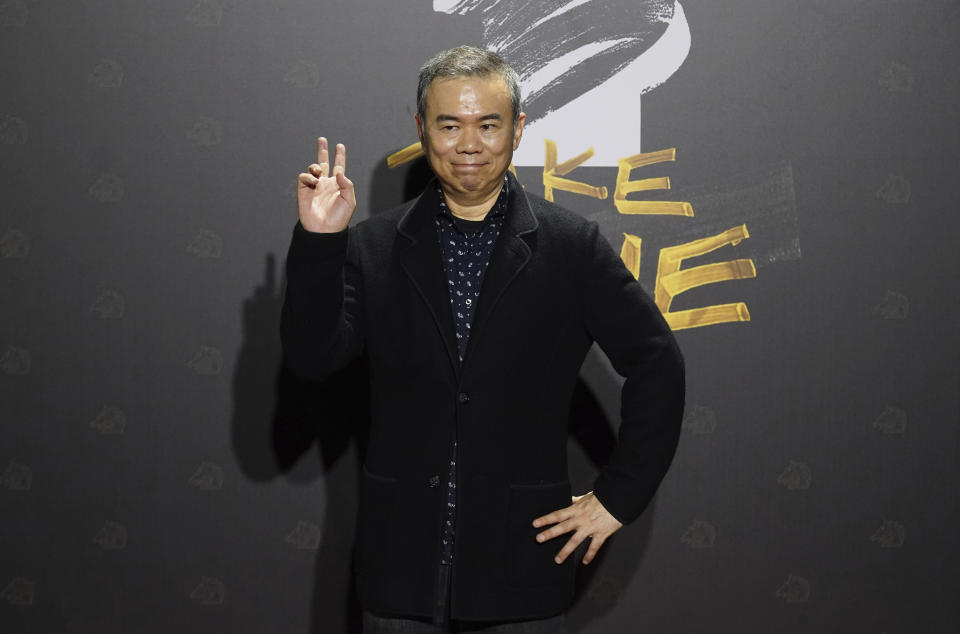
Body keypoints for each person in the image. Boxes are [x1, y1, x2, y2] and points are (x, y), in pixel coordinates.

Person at [281, 45, 685, 633]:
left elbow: (658, 364)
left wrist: (618, 497)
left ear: (517, 130)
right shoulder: (371, 246)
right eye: (449, 124)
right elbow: (312, 359)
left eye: (488, 124)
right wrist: (321, 244)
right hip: (400, 571)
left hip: (519, 575)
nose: (468, 143)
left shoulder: (571, 247)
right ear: (422, 130)